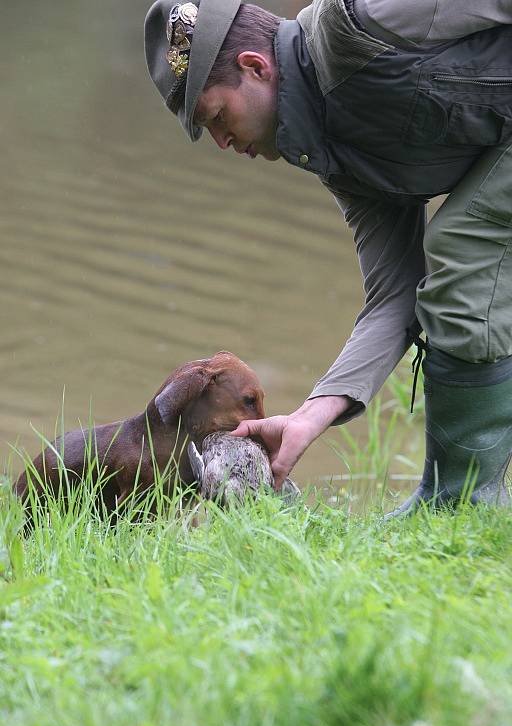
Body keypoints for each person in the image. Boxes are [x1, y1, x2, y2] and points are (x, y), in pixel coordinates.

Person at [144, 0, 512, 515]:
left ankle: (461, 505)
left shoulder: (361, 21)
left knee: (462, 245)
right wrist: (310, 416)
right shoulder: (337, 158)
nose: (222, 142)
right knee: (460, 265)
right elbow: (394, 297)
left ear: (255, 67)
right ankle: (457, 509)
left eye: (217, 117)